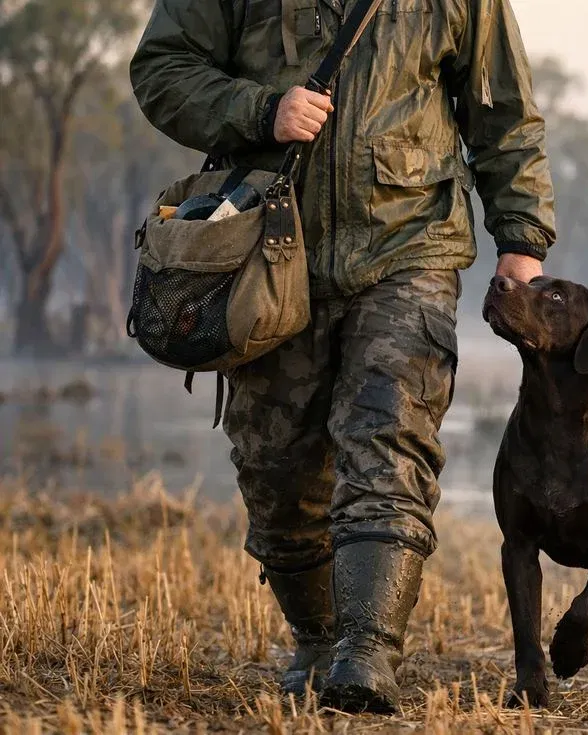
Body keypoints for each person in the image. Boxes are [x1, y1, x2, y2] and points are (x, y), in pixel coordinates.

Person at [130, 0, 555, 714]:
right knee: (276, 466)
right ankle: (319, 637)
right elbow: (162, 70)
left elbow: (502, 107)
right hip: (266, 250)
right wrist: (261, 110)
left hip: (409, 243)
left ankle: (368, 647)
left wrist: (521, 236)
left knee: (389, 432)